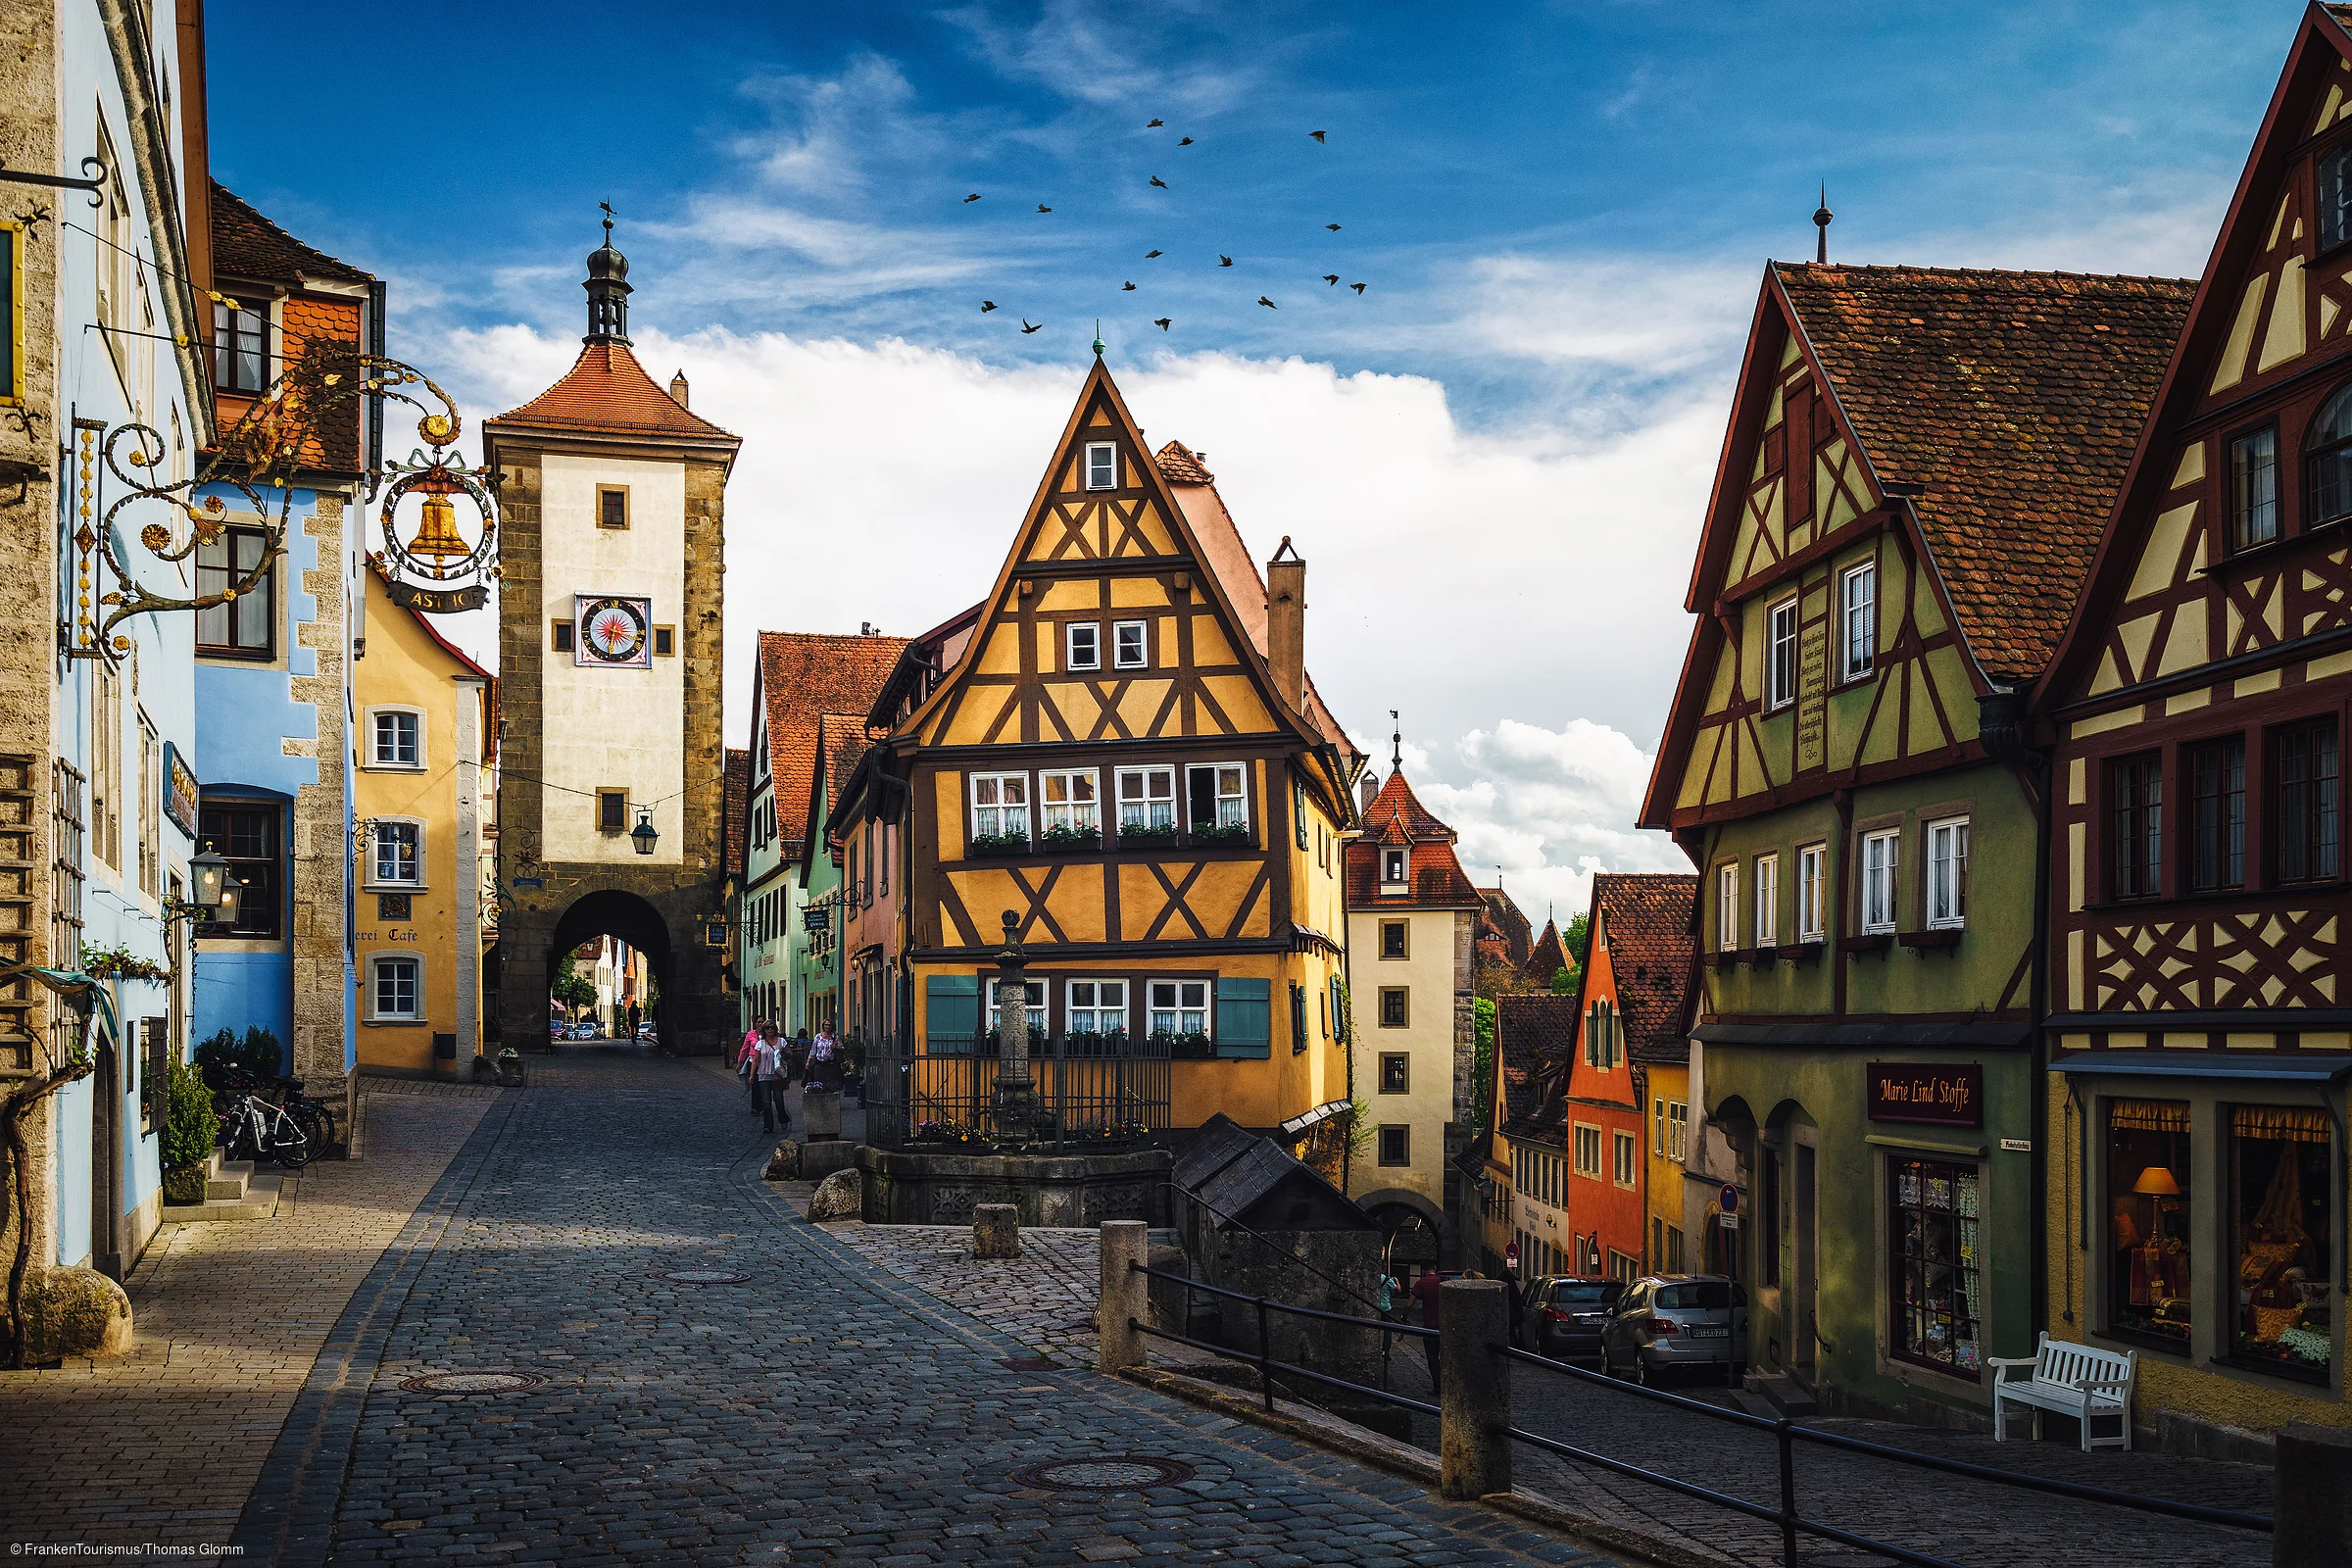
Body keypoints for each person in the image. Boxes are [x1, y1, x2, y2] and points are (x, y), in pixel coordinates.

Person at [1412, 1267, 1446, 1395]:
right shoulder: (1444, 1281)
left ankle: (1438, 1387)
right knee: (1447, 1357)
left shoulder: (1421, 1283)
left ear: (1423, 1271)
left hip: (1430, 1326)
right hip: (1446, 1326)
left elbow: (1409, 1303)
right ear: (1435, 1269)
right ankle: (1449, 1385)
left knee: (1432, 1357)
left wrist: (1404, 1317)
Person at [753, 1023, 790, 1135]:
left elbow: (789, 1054)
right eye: (767, 1028)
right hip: (764, 1074)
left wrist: (784, 1055)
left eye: (772, 1028)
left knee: (778, 1100)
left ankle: (783, 1119)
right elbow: (755, 1060)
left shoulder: (781, 1041)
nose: (769, 1030)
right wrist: (751, 1075)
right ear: (764, 1030)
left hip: (777, 1075)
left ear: (775, 1029)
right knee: (766, 1102)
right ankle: (768, 1125)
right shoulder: (760, 1043)